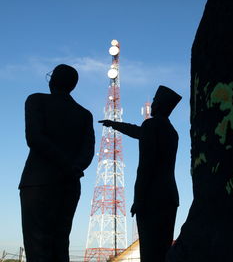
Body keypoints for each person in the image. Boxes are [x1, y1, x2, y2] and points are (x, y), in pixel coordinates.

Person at [19, 64, 95, 262]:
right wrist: (73, 168)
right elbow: (87, 152)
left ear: (53, 80)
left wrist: (64, 164)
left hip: (39, 182)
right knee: (60, 243)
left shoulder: (36, 100)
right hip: (69, 184)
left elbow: (35, 138)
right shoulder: (84, 114)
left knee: (37, 245)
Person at [99, 85, 181, 262]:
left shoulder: (151, 126)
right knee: (163, 250)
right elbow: (138, 131)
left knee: (150, 251)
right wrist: (115, 125)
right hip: (169, 197)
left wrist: (139, 199)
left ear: (158, 105)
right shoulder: (172, 132)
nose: (152, 104)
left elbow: (146, 166)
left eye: (155, 101)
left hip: (152, 197)